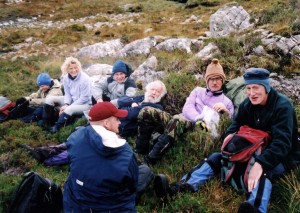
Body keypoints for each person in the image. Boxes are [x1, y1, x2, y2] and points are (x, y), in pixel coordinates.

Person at [154, 68, 300, 213]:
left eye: (256, 87)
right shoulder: (247, 104)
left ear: (267, 87)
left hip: (282, 155)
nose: (251, 93)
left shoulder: (283, 106)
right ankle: (179, 188)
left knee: (265, 172)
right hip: (252, 148)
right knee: (217, 157)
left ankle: (255, 208)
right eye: (248, 88)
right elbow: (234, 127)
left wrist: (261, 163)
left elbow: (282, 143)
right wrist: (228, 146)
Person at [19, 80, 168, 166]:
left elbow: (131, 113)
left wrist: (133, 107)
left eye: (158, 92)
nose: (154, 92)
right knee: (81, 134)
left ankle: (49, 160)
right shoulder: (140, 97)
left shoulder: (156, 107)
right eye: (152, 89)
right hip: (108, 122)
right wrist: (130, 106)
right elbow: (122, 104)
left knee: (87, 145)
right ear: (148, 89)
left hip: (118, 129)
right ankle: (45, 152)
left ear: (161, 95)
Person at [136, 59, 234, 164]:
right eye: (211, 79)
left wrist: (225, 112)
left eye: (218, 79)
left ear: (222, 80)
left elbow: (228, 125)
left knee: (177, 120)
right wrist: (198, 118)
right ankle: (140, 151)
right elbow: (187, 108)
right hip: (188, 119)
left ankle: (149, 160)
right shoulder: (197, 91)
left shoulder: (226, 102)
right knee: (146, 111)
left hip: (202, 128)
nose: (214, 82)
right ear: (207, 80)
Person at [63, 102, 140, 212]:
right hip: (110, 208)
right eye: (117, 119)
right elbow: (132, 186)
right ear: (106, 123)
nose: (119, 122)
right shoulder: (126, 155)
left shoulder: (75, 137)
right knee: (144, 171)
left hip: (74, 204)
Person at [39, 57, 92, 133]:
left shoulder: (85, 79)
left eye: (76, 68)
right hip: (73, 100)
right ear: (67, 69)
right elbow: (67, 94)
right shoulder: (66, 78)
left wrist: (68, 106)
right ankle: (46, 122)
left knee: (69, 109)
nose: (74, 70)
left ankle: (55, 128)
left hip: (85, 104)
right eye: (71, 68)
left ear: (79, 67)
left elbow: (84, 98)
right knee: (50, 99)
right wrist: (67, 103)